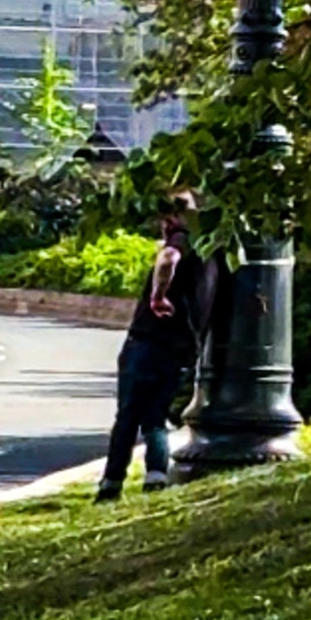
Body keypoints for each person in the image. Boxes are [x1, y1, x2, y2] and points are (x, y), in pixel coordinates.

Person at [96, 192, 218, 502]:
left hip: (148, 342)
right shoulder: (208, 250)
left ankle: (111, 483)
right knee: (155, 418)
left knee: (127, 416)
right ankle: (155, 477)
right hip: (181, 347)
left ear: (172, 217)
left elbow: (168, 259)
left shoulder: (180, 241)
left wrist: (158, 295)